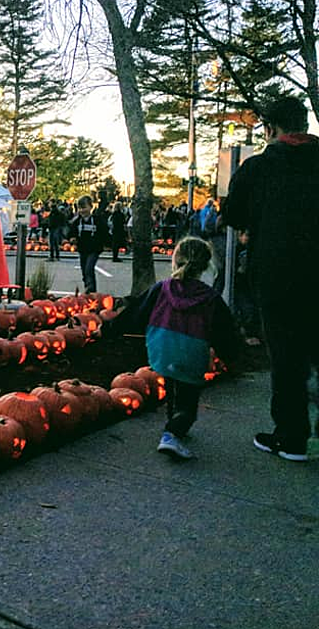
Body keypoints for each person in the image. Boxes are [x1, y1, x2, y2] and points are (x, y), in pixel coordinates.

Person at [221, 95, 319, 461]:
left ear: (271, 128)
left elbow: (233, 213)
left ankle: (292, 436)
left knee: (287, 355)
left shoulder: (260, 167)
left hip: (279, 275)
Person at [113, 237, 239, 459]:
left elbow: (135, 312)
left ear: (175, 261)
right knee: (188, 403)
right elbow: (225, 331)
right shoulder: (210, 298)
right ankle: (172, 433)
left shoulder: (162, 289)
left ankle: (174, 422)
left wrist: (107, 329)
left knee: (171, 385)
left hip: (162, 348)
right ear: (205, 266)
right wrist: (232, 357)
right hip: (192, 352)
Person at [70, 195, 108, 292]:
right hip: (82, 249)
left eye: (84, 207)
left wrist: (105, 243)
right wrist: (72, 238)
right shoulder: (77, 222)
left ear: (91, 207)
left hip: (94, 249)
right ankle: (87, 286)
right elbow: (72, 232)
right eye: (80, 208)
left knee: (89, 268)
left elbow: (104, 232)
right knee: (84, 271)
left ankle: (91, 289)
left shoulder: (97, 220)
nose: (82, 210)